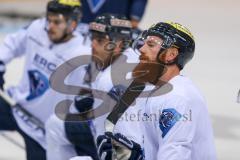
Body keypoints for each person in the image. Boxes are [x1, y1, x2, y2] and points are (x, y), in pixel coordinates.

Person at [97, 21, 217, 160]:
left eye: (151, 45)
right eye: (144, 43)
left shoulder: (179, 98)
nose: (141, 49)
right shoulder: (146, 89)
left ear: (171, 54)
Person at [0, 0, 90, 159]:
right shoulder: (37, 28)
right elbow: (11, 44)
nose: (50, 26)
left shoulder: (82, 55)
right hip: (16, 108)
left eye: (57, 22)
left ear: (73, 24)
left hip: (42, 132)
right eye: (49, 20)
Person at [45, 13, 138, 160]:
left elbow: (104, 137)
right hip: (128, 142)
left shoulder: (110, 78)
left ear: (119, 44)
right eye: (93, 38)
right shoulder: (130, 57)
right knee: (57, 124)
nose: (92, 44)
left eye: (100, 40)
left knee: (56, 127)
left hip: (127, 148)